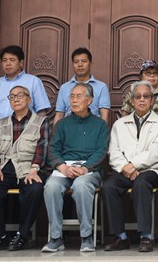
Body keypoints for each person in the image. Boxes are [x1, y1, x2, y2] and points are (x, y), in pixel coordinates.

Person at [102, 81, 158, 253]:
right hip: (124, 169)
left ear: (152, 100)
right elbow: (114, 151)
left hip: (151, 170)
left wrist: (134, 165)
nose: (142, 100)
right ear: (132, 101)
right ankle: (121, 236)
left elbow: (157, 152)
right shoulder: (120, 124)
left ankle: (146, 236)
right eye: (138, 97)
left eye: (146, 96)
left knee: (141, 184)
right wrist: (125, 167)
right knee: (108, 187)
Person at [0, 85, 50, 252]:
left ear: (29, 99)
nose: (16, 99)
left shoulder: (41, 122)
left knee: (35, 189)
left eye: (20, 95)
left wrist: (34, 170)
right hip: (4, 168)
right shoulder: (2, 122)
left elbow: (43, 149)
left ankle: (22, 235)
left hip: (29, 168)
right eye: (12, 97)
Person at [42, 82, 108, 253]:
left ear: (89, 100)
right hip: (65, 168)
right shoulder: (62, 124)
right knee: (51, 186)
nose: (74, 100)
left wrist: (85, 167)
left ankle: (86, 237)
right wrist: (62, 167)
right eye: (71, 96)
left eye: (79, 96)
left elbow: (101, 151)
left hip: (89, 170)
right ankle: (56, 238)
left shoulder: (100, 124)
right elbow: (52, 149)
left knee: (81, 186)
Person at [0, 45, 50, 138]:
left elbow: (41, 111)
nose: (8, 63)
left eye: (12, 60)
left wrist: (39, 132)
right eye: (4, 60)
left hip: (25, 129)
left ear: (21, 63)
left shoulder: (33, 81)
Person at [53, 47, 111, 124]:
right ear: (72, 64)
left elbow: (104, 116)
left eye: (84, 61)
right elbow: (59, 115)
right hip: (68, 129)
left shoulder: (101, 87)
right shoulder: (64, 87)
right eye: (76, 62)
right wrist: (55, 135)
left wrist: (101, 133)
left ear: (90, 63)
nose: (80, 65)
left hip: (92, 129)